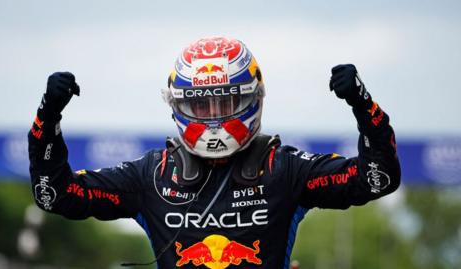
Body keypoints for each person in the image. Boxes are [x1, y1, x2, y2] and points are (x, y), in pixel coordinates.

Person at [28, 37, 401, 268]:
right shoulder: (152, 176)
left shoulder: (285, 169)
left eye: (226, 102)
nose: (213, 117)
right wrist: (48, 118)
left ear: (253, 99)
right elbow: (56, 196)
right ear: (178, 105)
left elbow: (376, 180)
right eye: (201, 105)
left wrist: (362, 105)